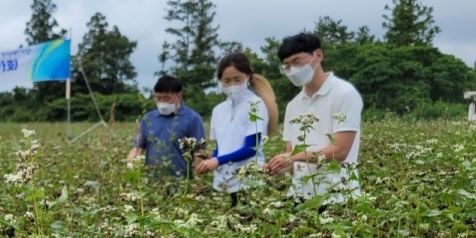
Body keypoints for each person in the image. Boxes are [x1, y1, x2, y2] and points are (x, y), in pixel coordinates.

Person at [264, 33, 364, 203]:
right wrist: (278, 165)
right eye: (286, 66)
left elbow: (340, 151)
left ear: (318, 55)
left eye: (297, 61)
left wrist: (293, 157)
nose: (292, 70)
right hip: (300, 198)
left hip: (337, 197)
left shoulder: (344, 94)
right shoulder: (293, 105)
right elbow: (292, 156)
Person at [195, 52, 278, 205]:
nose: (232, 85)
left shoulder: (255, 105)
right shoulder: (218, 110)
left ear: (248, 76)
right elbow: (221, 148)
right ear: (220, 81)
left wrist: (218, 161)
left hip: (248, 182)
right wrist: (212, 160)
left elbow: (251, 148)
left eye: (237, 79)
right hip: (224, 182)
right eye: (226, 81)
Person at [127, 75, 206, 180]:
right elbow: (138, 147)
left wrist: (199, 182)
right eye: (158, 98)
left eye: (167, 98)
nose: (162, 102)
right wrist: (132, 161)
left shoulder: (192, 119)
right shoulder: (148, 119)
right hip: (152, 180)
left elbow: (198, 152)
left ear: (179, 96)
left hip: (181, 181)